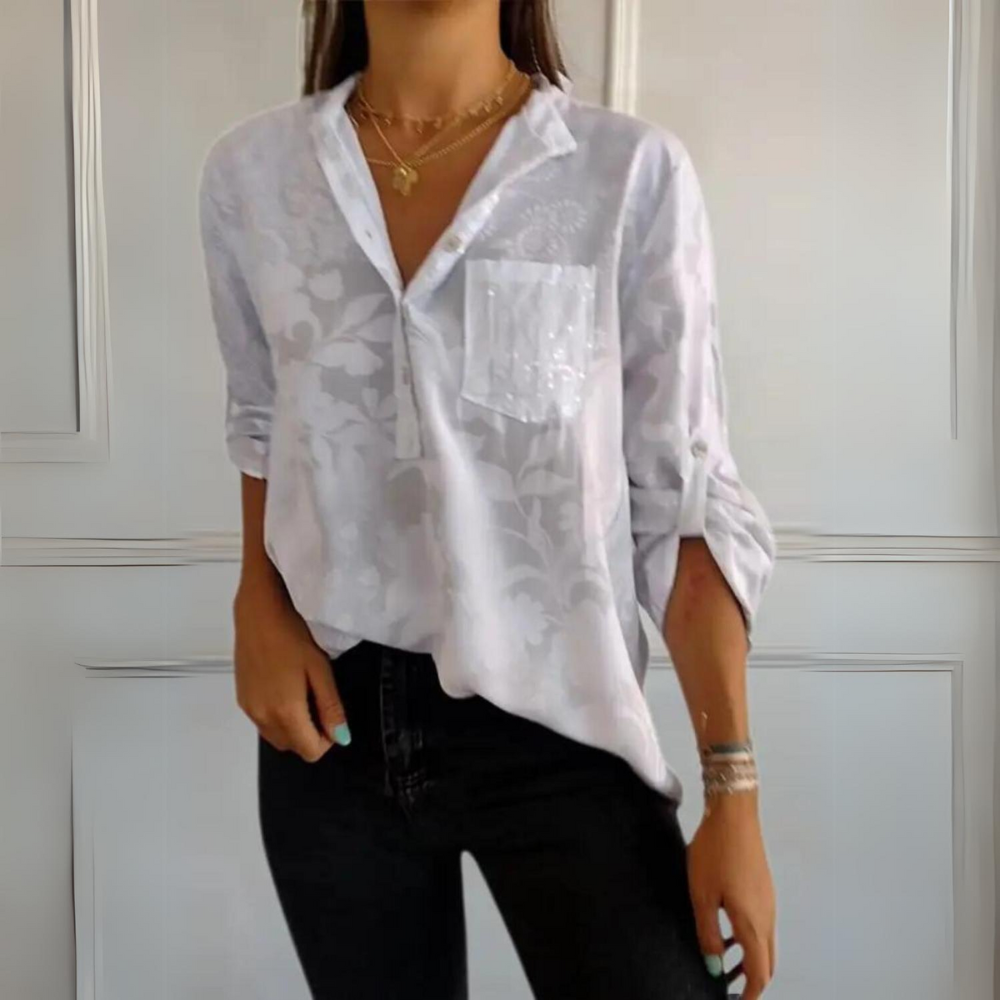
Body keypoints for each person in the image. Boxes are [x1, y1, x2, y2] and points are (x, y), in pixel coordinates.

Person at [196, 1, 778, 997]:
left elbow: (682, 499)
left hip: (562, 717)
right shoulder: (251, 176)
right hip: (330, 727)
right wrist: (258, 598)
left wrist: (733, 789)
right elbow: (261, 419)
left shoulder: (625, 177)